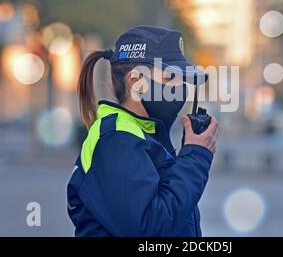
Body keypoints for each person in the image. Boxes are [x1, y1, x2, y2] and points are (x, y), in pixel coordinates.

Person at [67, 25, 219, 237]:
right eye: (170, 78)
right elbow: (149, 228)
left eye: (182, 79)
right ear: (136, 80)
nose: (180, 87)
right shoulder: (116, 139)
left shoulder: (144, 133)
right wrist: (195, 157)